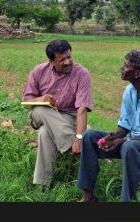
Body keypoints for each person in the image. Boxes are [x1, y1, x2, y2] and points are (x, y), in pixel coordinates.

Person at [78, 50, 140, 202]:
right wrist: (114, 136)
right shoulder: (129, 91)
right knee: (89, 136)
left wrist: (126, 141)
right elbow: (125, 125)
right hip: (132, 144)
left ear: (137, 74)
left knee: (129, 147)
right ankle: (87, 196)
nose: (121, 68)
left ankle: (126, 202)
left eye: (126, 66)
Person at [23, 39, 92, 186]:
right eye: (62, 59)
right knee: (41, 108)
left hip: (68, 117)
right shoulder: (39, 71)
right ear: (51, 61)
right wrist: (42, 99)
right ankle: (70, 146)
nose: (67, 62)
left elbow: (82, 109)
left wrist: (79, 137)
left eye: (69, 57)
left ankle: (41, 185)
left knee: (44, 133)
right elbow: (27, 99)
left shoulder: (82, 74)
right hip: (40, 114)